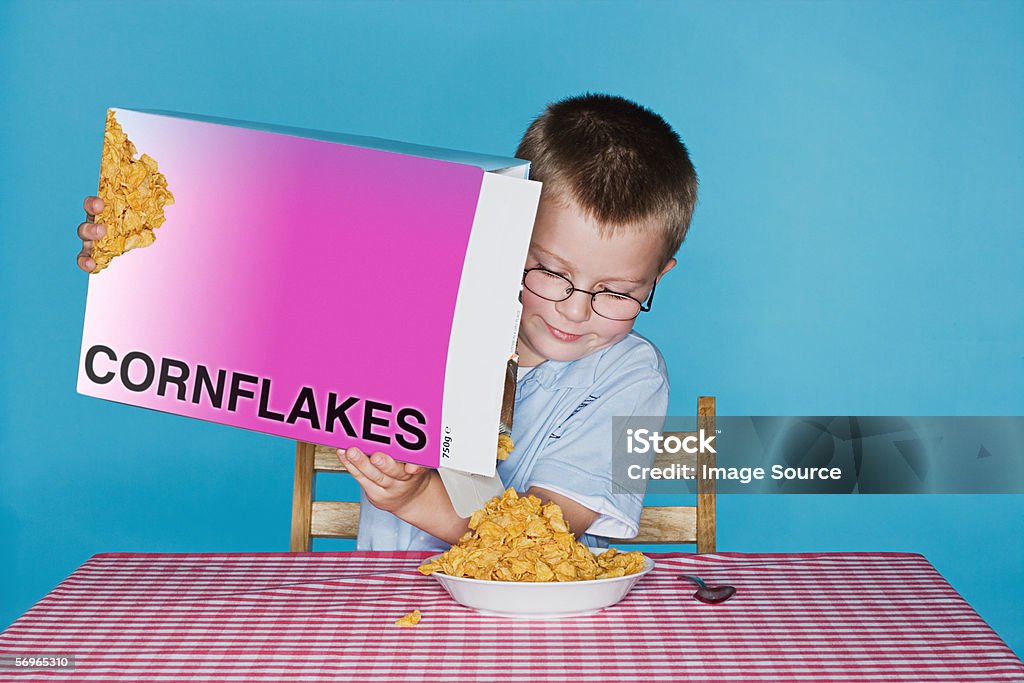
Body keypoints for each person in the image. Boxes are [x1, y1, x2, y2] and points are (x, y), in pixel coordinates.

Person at [75, 93, 699, 551]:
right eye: (551, 272)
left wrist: (414, 497)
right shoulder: (425, 306)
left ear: (657, 278)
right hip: (383, 616)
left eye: (617, 292)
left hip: (534, 633)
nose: (575, 308)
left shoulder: (628, 375)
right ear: (505, 234)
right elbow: (269, 283)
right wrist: (142, 252)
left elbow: (543, 534)